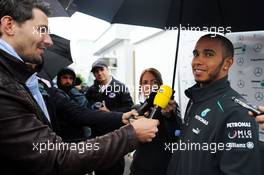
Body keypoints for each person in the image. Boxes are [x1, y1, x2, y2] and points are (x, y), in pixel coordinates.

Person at [0, 1, 160, 174]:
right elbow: (56, 157)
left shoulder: (30, 80)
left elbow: (79, 113)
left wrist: (121, 117)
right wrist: (131, 135)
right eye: (41, 30)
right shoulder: (5, 85)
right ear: (9, 25)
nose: (48, 40)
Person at [167, 34, 260, 175]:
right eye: (196, 54)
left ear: (227, 64)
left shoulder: (238, 113)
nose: (197, 61)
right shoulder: (195, 98)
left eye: (208, 54)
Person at [86, 60, 134, 175]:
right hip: (97, 138)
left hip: (116, 138)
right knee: (100, 169)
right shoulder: (91, 90)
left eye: (101, 70)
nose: (99, 73)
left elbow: (129, 109)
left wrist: (110, 112)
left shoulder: (120, 87)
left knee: (115, 169)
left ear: (107, 70)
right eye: (96, 71)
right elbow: (85, 109)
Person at [130, 68, 181, 175]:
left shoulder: (170, 108)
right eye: (145, 83)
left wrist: (169, 117)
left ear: (161, 85)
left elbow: (177, 136)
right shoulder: (137, 109)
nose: (149, 85)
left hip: (161, 169)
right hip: (138, 168)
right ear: (141, 87)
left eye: (154, 82)